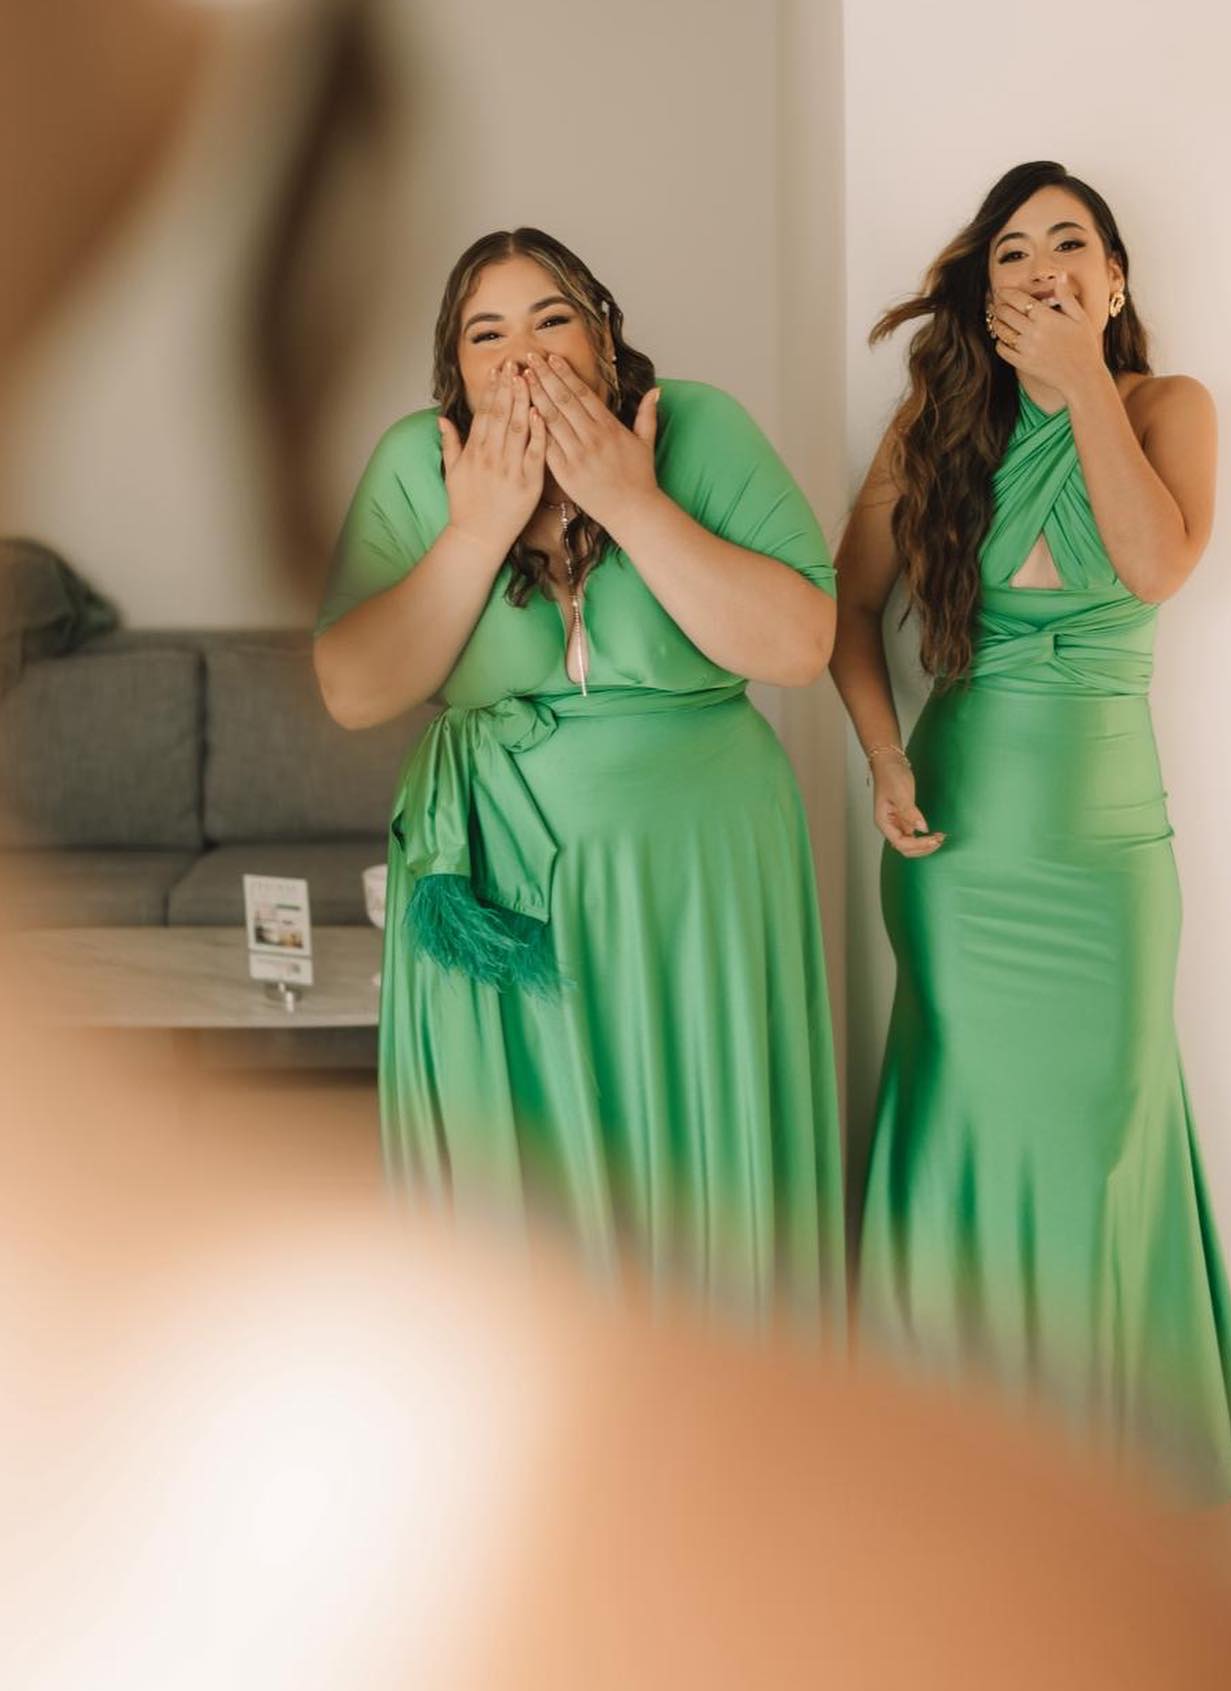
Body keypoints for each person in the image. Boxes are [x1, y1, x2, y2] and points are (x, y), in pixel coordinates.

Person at [830, 161, 1231, 1500]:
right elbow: (844, 609)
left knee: (1103, 1129)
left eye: (1068, 242)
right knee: (964, 1120)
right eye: (1013, 250)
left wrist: (1083, 386)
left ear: (1112, 279)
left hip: (1107, 851)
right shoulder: (933, 431)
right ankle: (955, 1459)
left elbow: (1155, 564)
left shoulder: (1169, 408)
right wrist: (884, 755)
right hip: (959, 847)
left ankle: (1109, 1471)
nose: (1040, 267)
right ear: (988, 288)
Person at [314, 227, 844, 1336]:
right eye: (487, 334)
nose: (522, 354)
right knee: (523, 1190)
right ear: (454, 368)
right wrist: (477, 532)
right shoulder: (420, 463)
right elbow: (355, 689)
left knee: (697, 1182)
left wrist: (632, 501)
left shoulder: (698, 428)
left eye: (550, 319)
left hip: (697, 878)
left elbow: (800, 646)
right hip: (498, 882)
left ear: (604, 338)